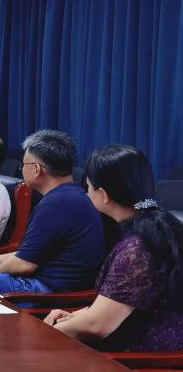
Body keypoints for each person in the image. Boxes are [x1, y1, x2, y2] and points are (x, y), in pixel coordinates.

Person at [45, 146, 183, 351]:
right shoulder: (161, 226)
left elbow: (97, 327)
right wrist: (77, 316)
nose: (87, 193)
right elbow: (119, 306)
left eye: (88, 187)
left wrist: (44, 334)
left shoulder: (137, 248)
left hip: (140, 357)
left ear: (103, 194)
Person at [0, 129, 105, 295]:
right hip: (52, 285)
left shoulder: (55, 204)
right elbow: (30, 253)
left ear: (36, 169)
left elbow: (24, 264)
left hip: (43, 290)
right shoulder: (72, 195)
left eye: (23, 165)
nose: (21, 170)